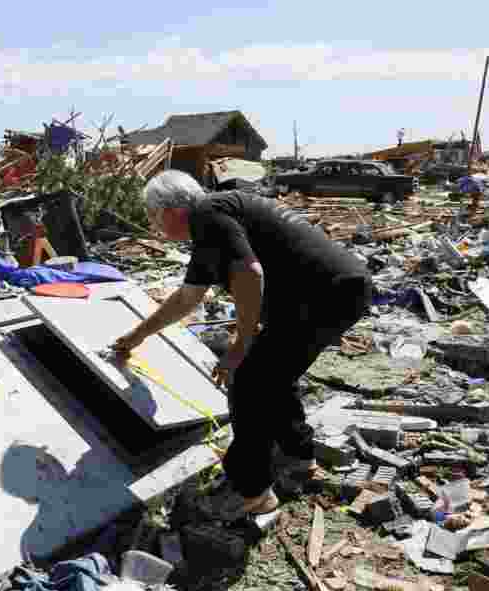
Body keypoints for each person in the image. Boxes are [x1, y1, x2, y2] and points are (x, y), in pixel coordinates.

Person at [112, 171, 372, 522]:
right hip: (338, 290)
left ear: (169, 211)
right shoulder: (214, 218)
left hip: (320, 296)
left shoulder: (207, 216)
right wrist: (137, 336)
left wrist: (240, 346)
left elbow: (250, 274)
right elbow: (188, 298)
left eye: (154, 219)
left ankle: (250, 492)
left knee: (248, 382)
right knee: (272, 377)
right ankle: (297, 456)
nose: (156, 228)